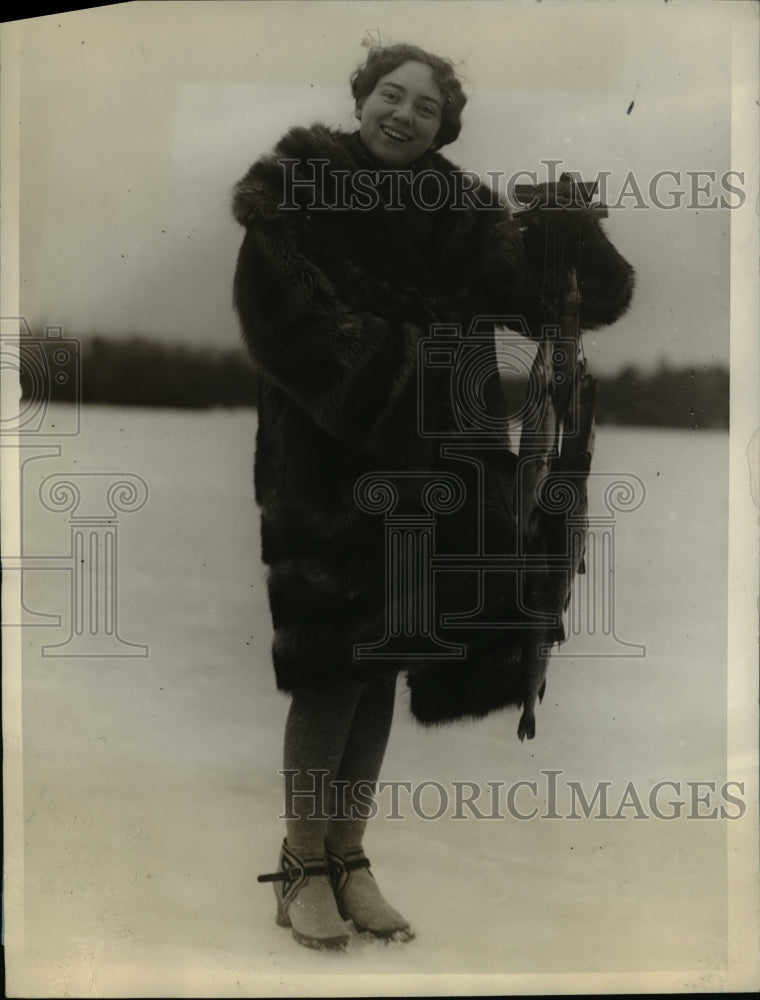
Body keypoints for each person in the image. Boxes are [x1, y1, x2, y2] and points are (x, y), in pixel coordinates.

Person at [231, 42, 634, 951]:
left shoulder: (461, 213)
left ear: (443, 127)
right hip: (327, 475)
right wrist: (453, 376)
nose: (403, 115)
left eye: (424, 108)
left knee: (380, 663)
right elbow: (299, 340)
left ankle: (348, 855)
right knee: (331, 666)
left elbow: (561, 304)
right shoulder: (293, 195)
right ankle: (300, 863)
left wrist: (571, 236)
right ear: (362, 97)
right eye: (390, 94)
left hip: (427, 486)